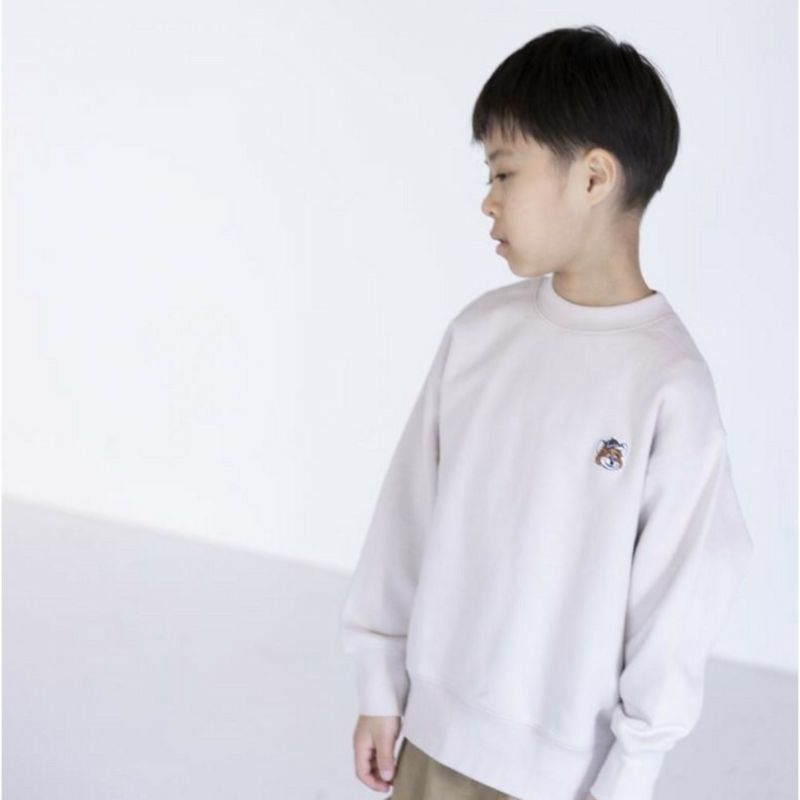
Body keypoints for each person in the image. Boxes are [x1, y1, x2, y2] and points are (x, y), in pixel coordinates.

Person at [339, 24, 755, 800]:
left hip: (565, 780)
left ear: (593, 176)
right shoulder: (480, 335)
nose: (487, 199)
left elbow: (676, 605)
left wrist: (629, 776)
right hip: (430, 739)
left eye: (505, 171)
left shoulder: (669, 387)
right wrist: (379, 684)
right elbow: (405, 518)